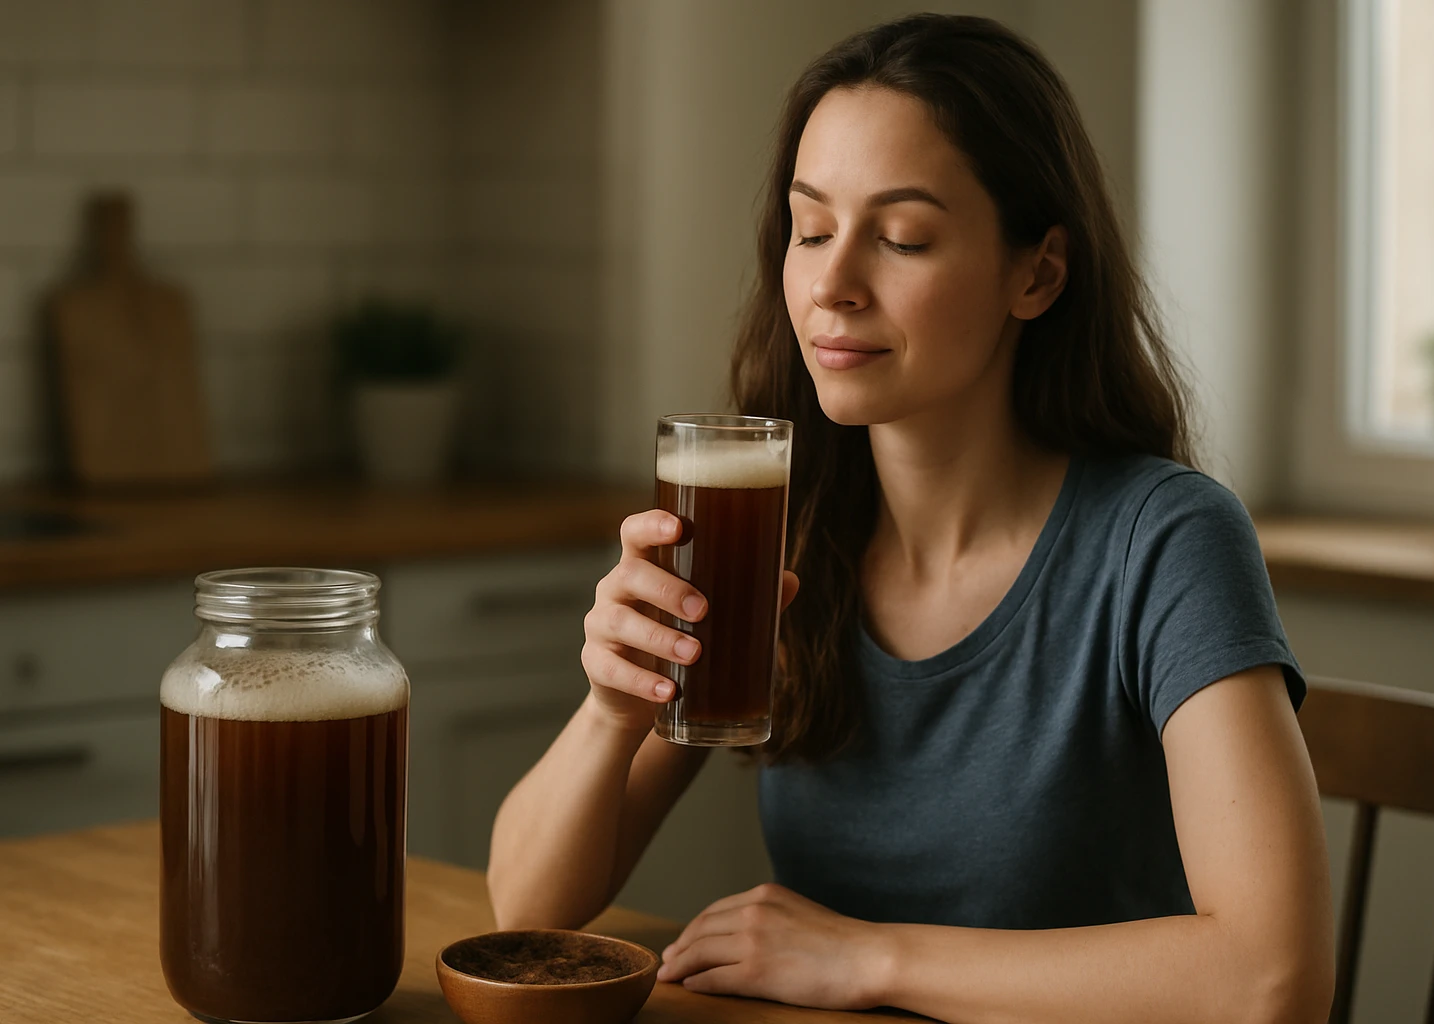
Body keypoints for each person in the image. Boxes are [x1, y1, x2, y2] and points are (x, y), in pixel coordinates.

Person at [487, 14, 1334, 1024]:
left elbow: (1272, 978)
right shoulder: (779, 539)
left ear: (1038, 274)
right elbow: (526, 907)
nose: (832, 285)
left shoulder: (1166, 541)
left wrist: (867, 960)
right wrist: (612, 708)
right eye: (810, 230)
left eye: (901, 237)